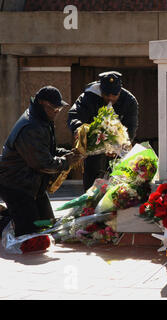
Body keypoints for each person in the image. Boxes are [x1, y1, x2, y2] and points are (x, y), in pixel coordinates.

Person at [0, 86, 84, 237]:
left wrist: (67, 154)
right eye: (53, 108)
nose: (56, 112)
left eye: (59, 109)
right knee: (29, 233)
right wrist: (66, 161)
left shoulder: (41, 118)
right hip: (16, 184)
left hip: (32, 184)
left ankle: (13, 216)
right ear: (40, 103)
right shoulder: (31, 126)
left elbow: (47, 150)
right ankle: (8, 218)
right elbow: (42, 164)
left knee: (47, 224)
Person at [67, 71, 139, 191]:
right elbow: (74, 116)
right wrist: (81, 131)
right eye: (106, 94)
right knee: (91, 183)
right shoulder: (88, 97)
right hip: (93, 148)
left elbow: (131, 127)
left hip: (116, 151)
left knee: (116, 185)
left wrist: (119, 145)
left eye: (114, 95)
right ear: (100, 90)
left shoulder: (129, 101)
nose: (110, 98)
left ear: (120, 91)